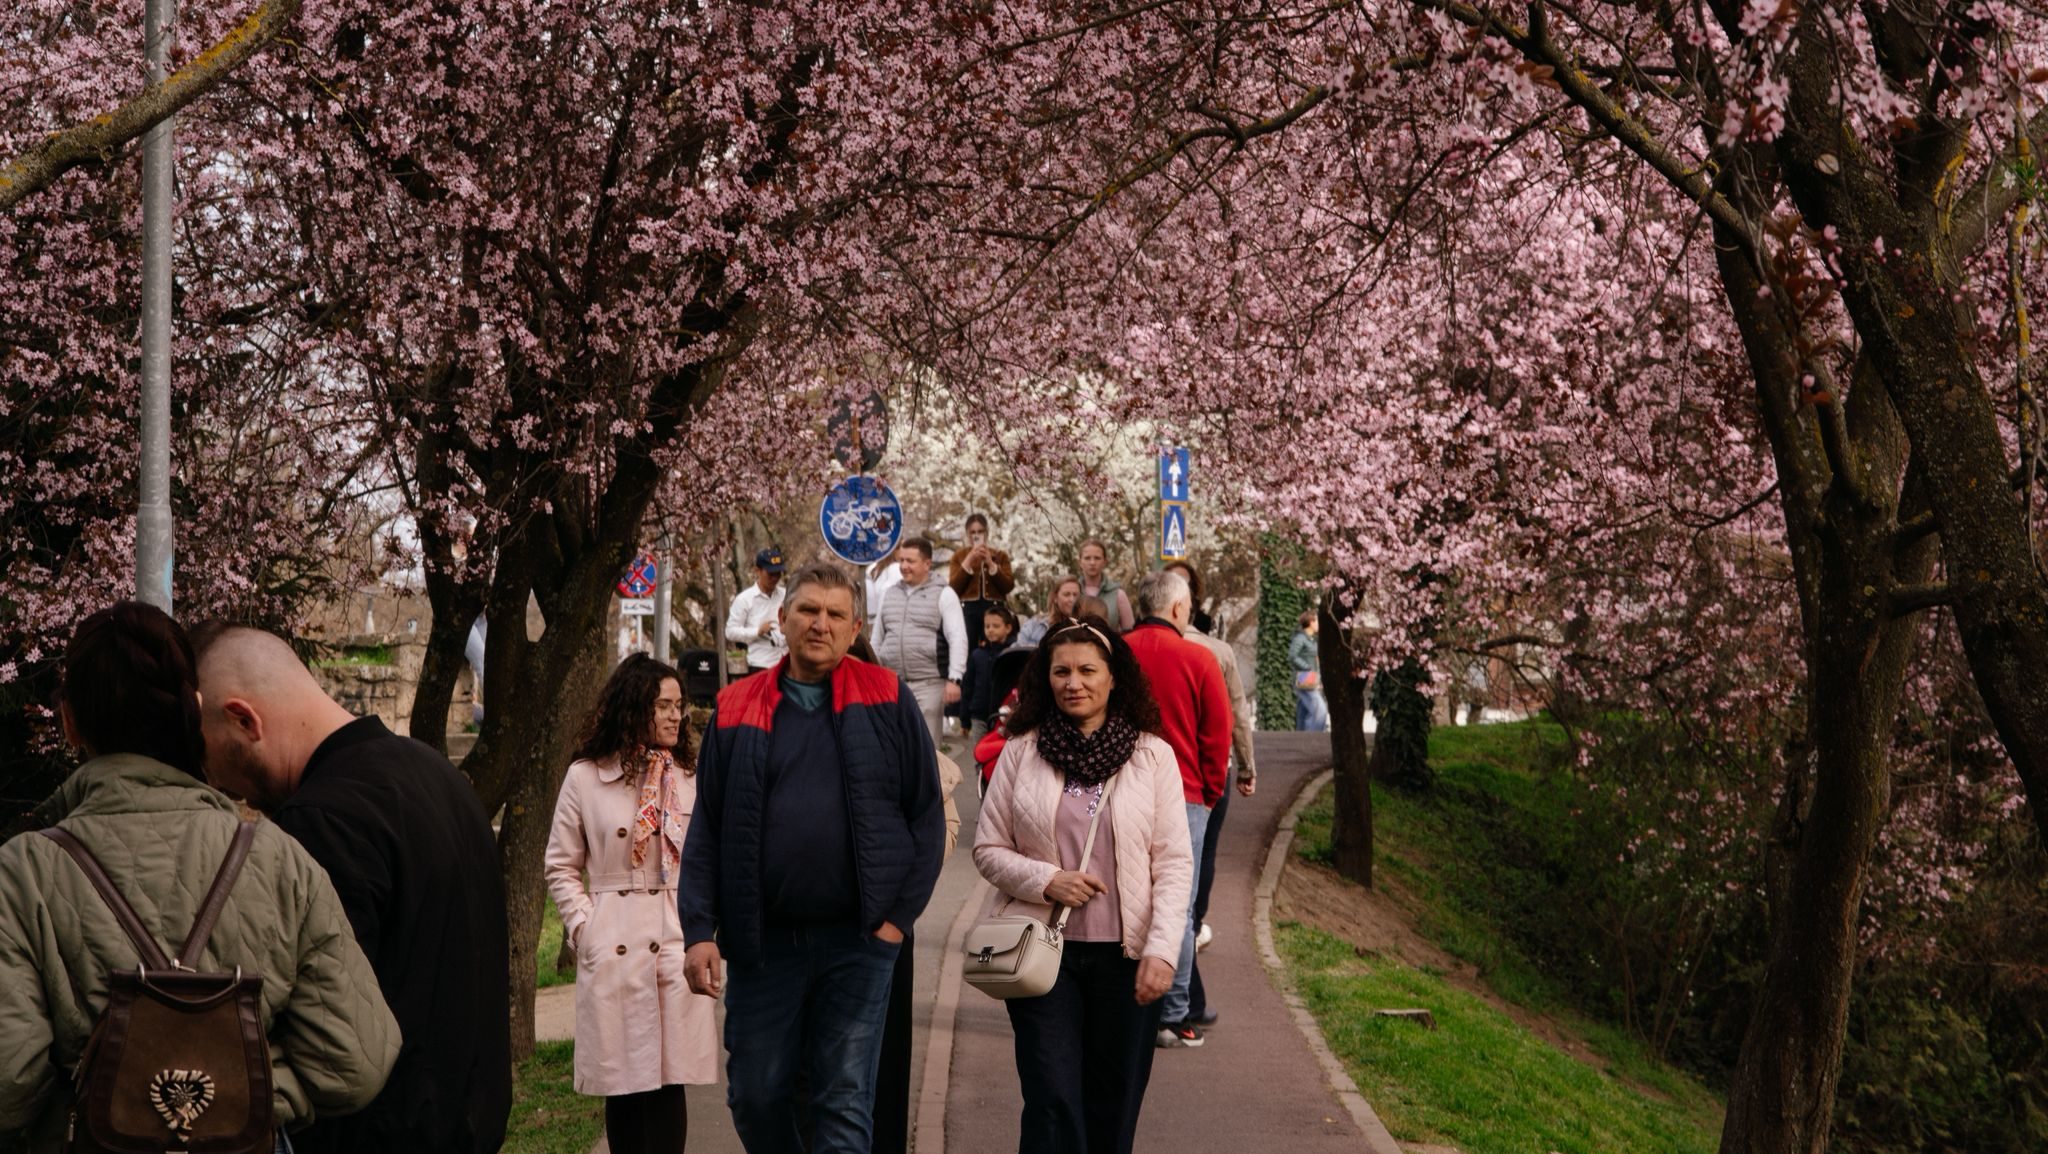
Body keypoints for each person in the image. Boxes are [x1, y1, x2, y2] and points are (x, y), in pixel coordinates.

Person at [0, 603, 400, 1152]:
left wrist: (111, 1103)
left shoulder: (23, 873)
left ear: (68, 722)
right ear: (194, 707)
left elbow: (7, 1082)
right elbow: (357, 1058)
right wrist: (232, 1097)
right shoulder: (279, 859)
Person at [190, 622, 513, 1153]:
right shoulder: (438, 775)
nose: (222, 785)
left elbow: (317, 1025)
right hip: (472, 1125)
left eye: (214, 761)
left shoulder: (320, 822)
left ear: (243, 720)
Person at [682, 563, 947, 1154]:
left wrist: (894, 924)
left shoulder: (888, 699)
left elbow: (926, 818)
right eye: (807, 611)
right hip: (763, 944)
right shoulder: (734, 707)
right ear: (782, 619)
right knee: (755, 1094)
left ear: (855, 628)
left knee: (844, 1099)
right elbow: (708, 829)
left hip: (859, 943)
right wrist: (698, 929)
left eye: (834, 615)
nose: (819, 624)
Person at [973, 618, 1193, 1154]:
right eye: (1062, 671)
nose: (1074, 682)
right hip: (1042, 955)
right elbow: (987, 849)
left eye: (1088, 670)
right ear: (1044, 680)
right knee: (1052, 1097)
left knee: (1112, 1100)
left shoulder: (1152, 755)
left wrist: (1163, 951)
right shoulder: (1022, 752)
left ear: (1113, 678)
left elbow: (1174, 863)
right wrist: (1047, 880)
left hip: (1127, 958)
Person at [545, 653, 718, 1154]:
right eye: (662, 705)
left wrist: (705, 927)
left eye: (678, 706)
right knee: (624, 1083)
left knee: (669, 1080)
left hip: (675, 936)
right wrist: (585, 928)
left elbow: (707, 858)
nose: (673, 716)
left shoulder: (690, 776)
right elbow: (560, 864)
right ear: (632, 706)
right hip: (613, 934)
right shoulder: (585, 777)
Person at [1121, 571, 1232, 1048]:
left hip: (1123, 788)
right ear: (1178, 610)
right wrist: (1208, 793)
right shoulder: (1199, 658)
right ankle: (1173, 1011)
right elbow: (1216, 734)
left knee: (1124, 894)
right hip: (1186, 792)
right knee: (1178, 907)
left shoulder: (1116, 652)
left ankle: (1128, 1003)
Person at [1162, 561, 1257, 1021]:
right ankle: (1181, 1005)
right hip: (1198, 782)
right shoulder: (1212, 653)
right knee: (1188, 889)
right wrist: (1242, 769)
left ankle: (1180, 999)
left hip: (1166, 783)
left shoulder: (1131, 647)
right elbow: (1232, 717)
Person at [871, 536, 968, 747]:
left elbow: (958, 638)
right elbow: (877, 638)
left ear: (927, 564)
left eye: (910, 561)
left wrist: (955, 678)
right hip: (892, 683)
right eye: (902, 560)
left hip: (929, 684)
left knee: (927, 751)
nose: (904, 566)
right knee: (892, 747)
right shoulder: (889, 594)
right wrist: (871, 672)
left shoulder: (944, 594)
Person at [948, 513, 1016, 649]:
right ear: (967, 534)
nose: (976, 535)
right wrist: (969, 560)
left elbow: (1008, 586)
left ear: (987, 532)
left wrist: (990, 563)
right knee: (967, 650)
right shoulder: (959, 556)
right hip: (968, 611)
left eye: (980, 531)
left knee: (995, 650)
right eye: (972, 532)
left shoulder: (1000, 555)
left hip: (995, 610)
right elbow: (953, 589)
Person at [727, 546, 789, 675]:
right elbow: (730, 632)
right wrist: (757, 632)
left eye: (778, 573)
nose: (775, 578)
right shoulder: (744, 599)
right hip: (761, 665)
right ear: (758, 571)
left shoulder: (786, 595)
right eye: (770, 573)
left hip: (787, 663)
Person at [963, 603, 1019, 745]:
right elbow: (968, 687)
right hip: (979, 716)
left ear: (1008, 628)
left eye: (996, 626)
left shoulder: (1013, 654)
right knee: (980, 754)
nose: (990, 630)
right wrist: (964, 718)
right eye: (987, 626)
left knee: (1000, 756)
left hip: (1004, 716)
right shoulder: (977, 655)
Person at [1077, 539, 1135, 632]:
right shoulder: (1073, 592)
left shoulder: (1118, 594)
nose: (1092, 563)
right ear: (1080, 562)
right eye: (1087, 558)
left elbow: (1129, 631)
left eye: (1097, 558)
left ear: (1104, 562)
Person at [1291, 610, 1329, 732]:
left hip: (1311, 678)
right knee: (1320, 710)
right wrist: (1307, 668)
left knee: (1304, 711)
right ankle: (1314, 738)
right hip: (1304, 677)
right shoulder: (1300, 638)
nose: (1318, 623)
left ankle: (1300, 738)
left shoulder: (1311, 640)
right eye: (1316, 620)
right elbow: (1292, 656)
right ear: (1310, 622)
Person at [1018, 576, 1082, 647]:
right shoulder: (1034, 625)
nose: (1072, 599)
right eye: (1066, 595)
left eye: (1075, 595)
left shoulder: (1084, 627)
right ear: (1055, 598)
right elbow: (1016, 651)